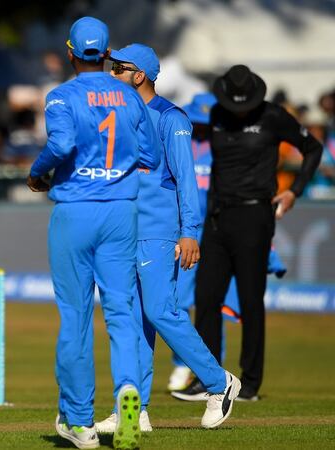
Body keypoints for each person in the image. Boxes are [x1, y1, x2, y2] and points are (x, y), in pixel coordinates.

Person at [27, 17, 160, 450]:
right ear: (105, 54)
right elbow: (149, 154)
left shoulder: (61, 96)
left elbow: (61, 146)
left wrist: (36, 172)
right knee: (122, 313)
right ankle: (128, 391)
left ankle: (81, 422)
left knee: (76, 318)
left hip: (75, 211)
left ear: (70, 53)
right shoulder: (129, 95)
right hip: (121, 211)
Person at [94, 44, 240, 434]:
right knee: (136, 319)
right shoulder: (118, 116)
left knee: (161, 312)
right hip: (125, 232)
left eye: (117, 68)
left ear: (138, 75)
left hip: (159, 231)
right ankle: (134, 410)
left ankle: (218, 382)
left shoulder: (169, 117)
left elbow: (186, 180)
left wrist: (190, 233)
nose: (111, 74)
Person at [194, 65, 323, 402]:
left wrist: (294, 190)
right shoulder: (217, 113)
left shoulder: (274, 117)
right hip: (217, 215)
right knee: (206, 298)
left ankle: (250, 383)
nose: (238, 111)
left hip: (254, 215)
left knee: (251, 301)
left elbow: (312, 149)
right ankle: (209, 376)